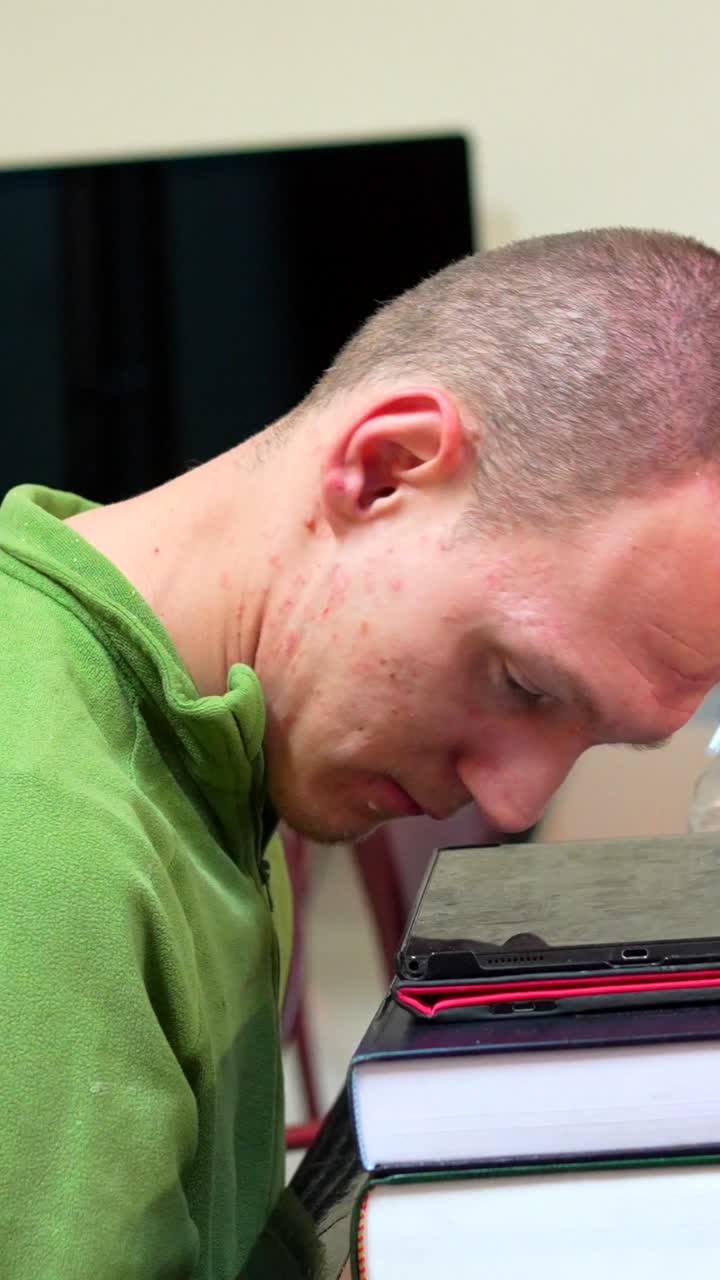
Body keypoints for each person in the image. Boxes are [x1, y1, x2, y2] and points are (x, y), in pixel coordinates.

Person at [3, 226, 720, 1278]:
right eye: (522, 682)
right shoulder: (48, 839)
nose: (516, 800)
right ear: (385, 468)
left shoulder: (213, 725)